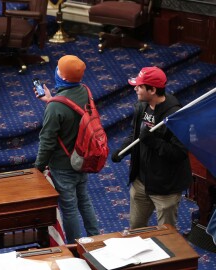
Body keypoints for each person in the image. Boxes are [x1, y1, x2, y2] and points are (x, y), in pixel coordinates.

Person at [111, 66, 192, 229]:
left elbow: (179, 153)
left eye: (139, 86)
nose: (135, 89)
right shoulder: (142, 106)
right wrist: (123, 149)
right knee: (136, 230)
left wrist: (153, 141)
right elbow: (135, 135)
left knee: (166, 236)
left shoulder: (175, 116)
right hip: (141, 182)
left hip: (165, 187)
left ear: (152, 89)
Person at [34, 55, 100, 244]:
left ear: (61, 76)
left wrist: (38, 167)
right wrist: (51, 99)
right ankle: (95, 238)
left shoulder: (55, 107)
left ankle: (74, 246)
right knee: (84, 200)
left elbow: (47, 141)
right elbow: (70, 112)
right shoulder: (85, 91)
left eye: (58, 68)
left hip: (63, 165)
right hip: (83, 159)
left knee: (69, 208)